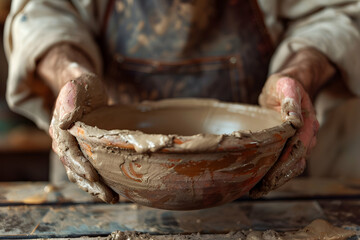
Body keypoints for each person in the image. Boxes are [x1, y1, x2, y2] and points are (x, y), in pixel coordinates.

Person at [4, 0, 360, 204]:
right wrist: (68, 73)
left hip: (260, 179)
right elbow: (43, 13)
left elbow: (335, 13)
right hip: (104, 180)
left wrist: (299, 75)